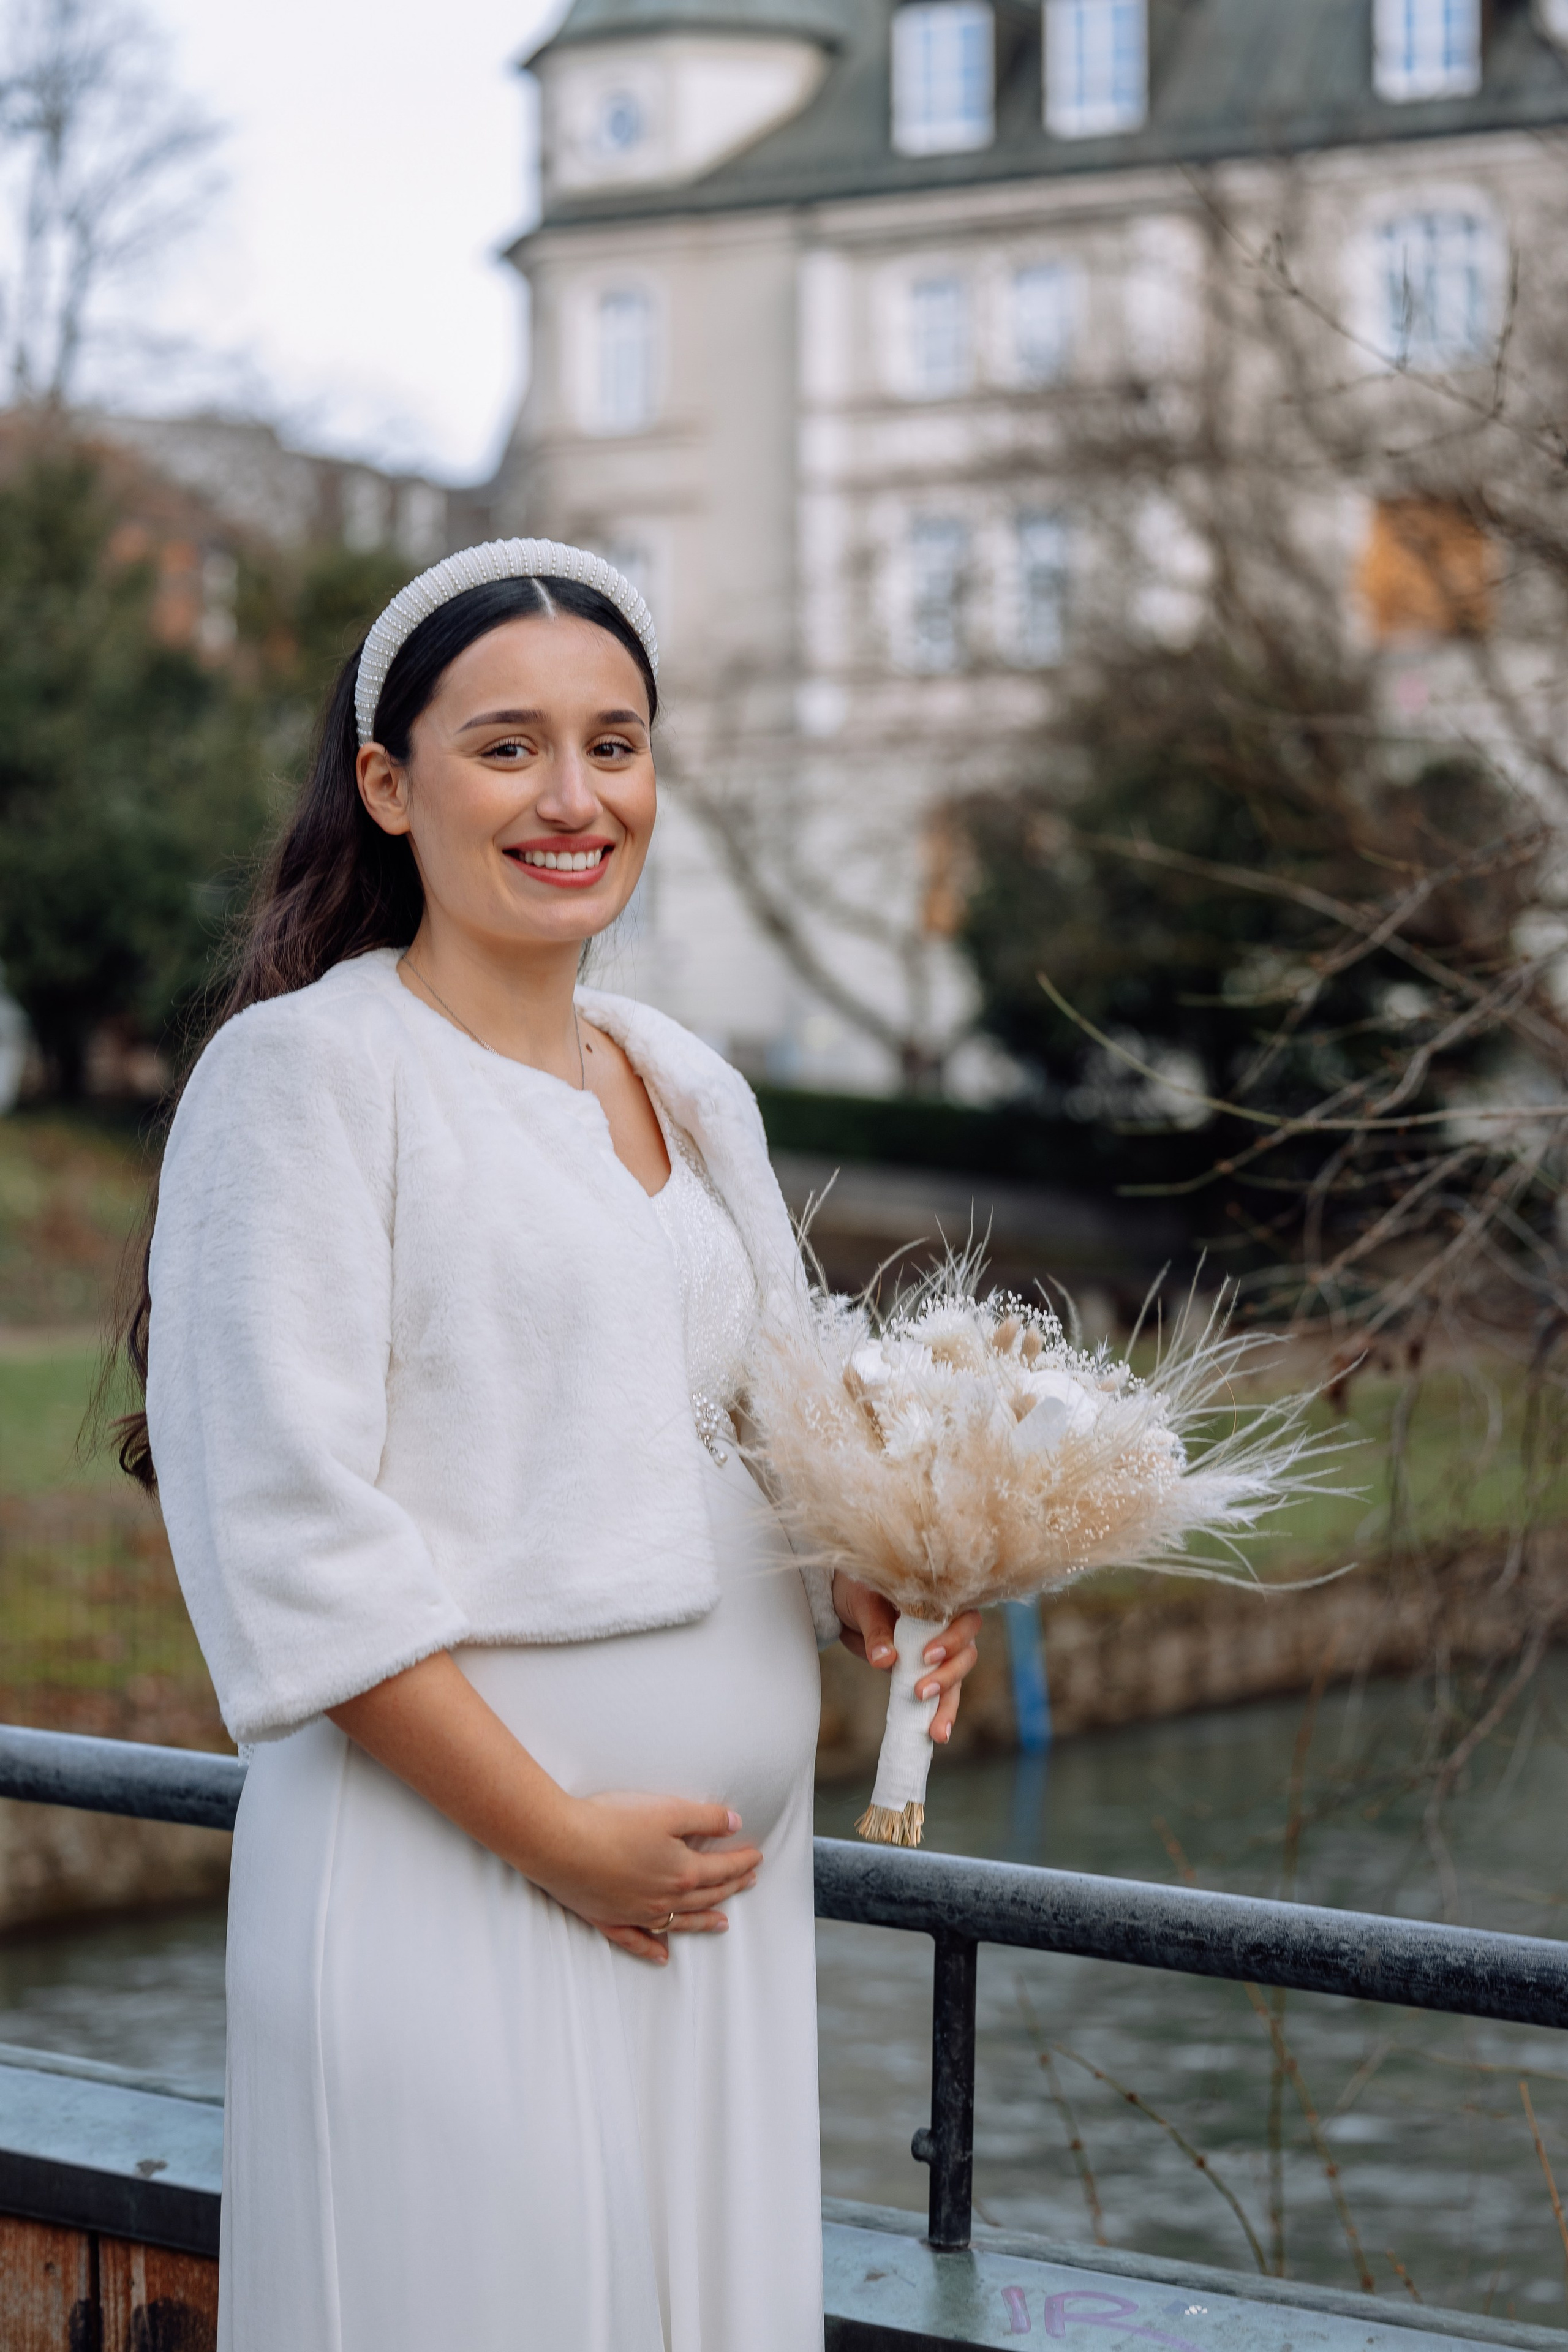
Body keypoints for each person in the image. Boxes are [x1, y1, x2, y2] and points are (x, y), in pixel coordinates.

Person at [121, 540, 982, 2352]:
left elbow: (767, 1424)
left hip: (718, 1925)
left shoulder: (687, 1078)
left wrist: (875, 1578)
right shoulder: (305, 1079)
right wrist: (557, 1838)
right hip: (457, 1878)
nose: (575, 799)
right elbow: (284, 1527)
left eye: (618, 743)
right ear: (388, 782)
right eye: (508, 748)